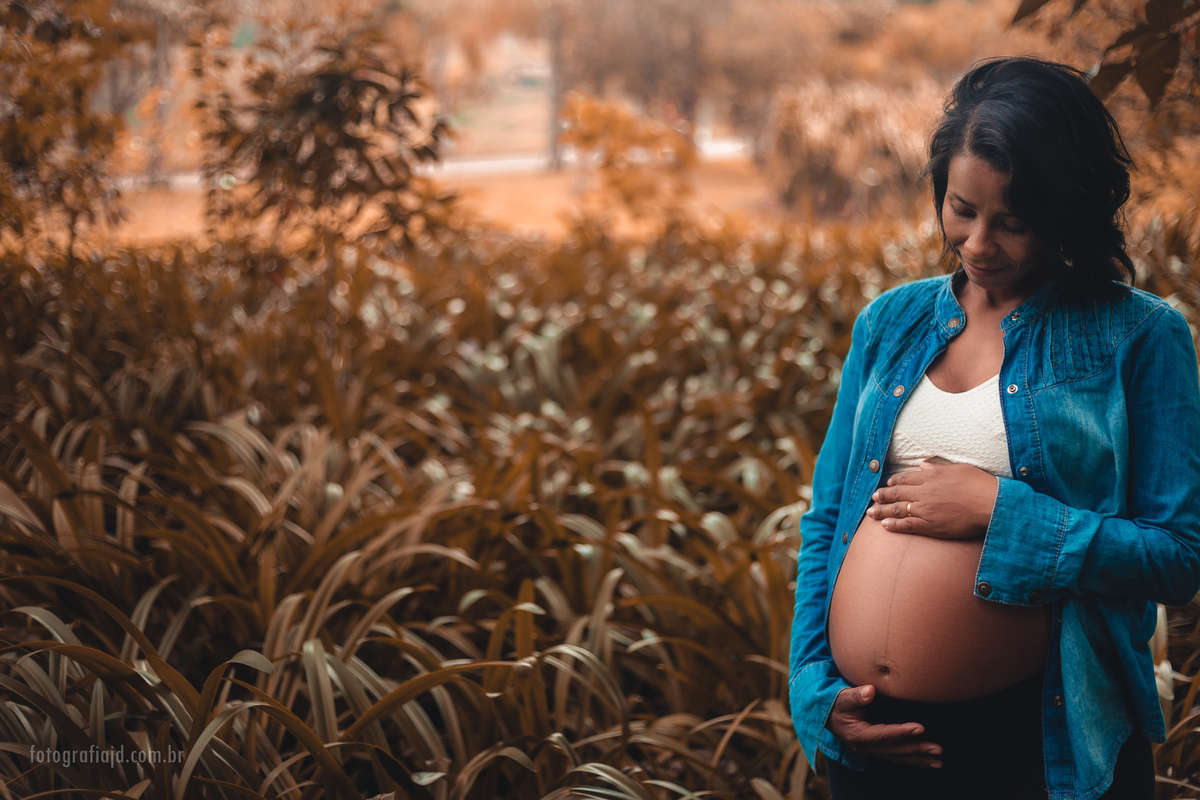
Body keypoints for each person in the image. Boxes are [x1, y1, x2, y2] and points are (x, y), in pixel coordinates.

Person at [788, 56, 1200, 800]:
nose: (979, 244)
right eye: (961, 209)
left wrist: (1001, 511)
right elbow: (826, 523)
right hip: (872, 741)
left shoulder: (1139, 338)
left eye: (1013, 221)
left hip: (1036, 744)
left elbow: (1177, 557)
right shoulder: (892, 323)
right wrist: (813, 692)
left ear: (1068, 209)